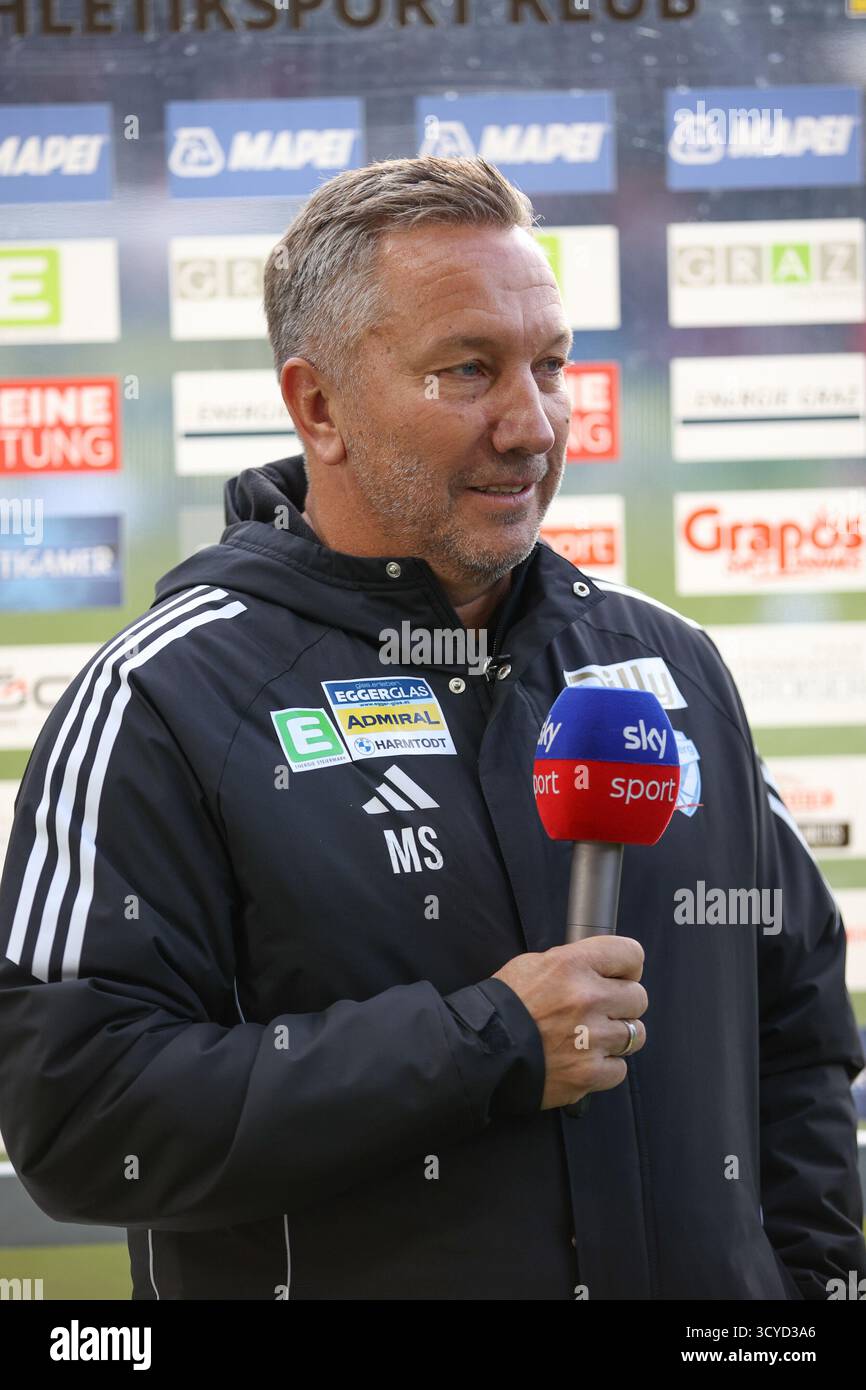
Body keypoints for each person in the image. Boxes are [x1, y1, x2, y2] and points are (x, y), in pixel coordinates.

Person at [0, 155, 863, 1301]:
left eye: (549, 366)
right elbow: (77, 1112)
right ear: (318, 406)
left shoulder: (667, 667)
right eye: (467, 371)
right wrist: (490, 1041)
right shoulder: (168, 698)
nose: (531, 425)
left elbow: (795, 1037)